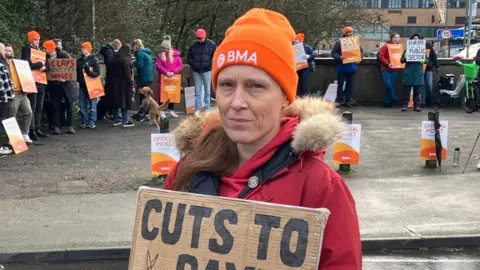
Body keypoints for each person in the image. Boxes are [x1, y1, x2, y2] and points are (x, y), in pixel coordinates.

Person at [164, 8, 361, 269]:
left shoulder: (320, 186)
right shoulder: (187, 168)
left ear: (285, 98)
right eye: (226, 85)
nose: (237, 102)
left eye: (256, 86)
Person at [21, 30, 50, 140]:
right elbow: (27, 63)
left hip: (41, 82)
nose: (37, 41)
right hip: (32, 82)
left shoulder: (41, 52)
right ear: (31, 40)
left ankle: (37, 128)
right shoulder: (26, 49)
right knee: (32, 107)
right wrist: (39, 65)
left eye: (38, 39)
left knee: (39, 107)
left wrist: (45, 67)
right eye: (35, 39)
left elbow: (48, 65)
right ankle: (31, 130)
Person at [4, 44, 33, 144]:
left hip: (22, 93)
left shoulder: (18, 63)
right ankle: (12, 139)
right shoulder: (3, 64)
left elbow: (26, 74)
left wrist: (28, 86)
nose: (10, 52)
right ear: (4, 52)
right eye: (8, 50)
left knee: (28, 112)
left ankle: (24, 134)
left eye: (11, 50)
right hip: (12, 94)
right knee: (12, 116)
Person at [48, 39, 76, 135]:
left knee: (69, 104)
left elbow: (71, 67)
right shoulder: (46, 57)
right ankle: (57, 126)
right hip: (54, 85)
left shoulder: (64, 55)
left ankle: (70, 125)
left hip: (66, 84)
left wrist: (65, 78)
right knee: (56, 105)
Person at [187, 28, 216, 115]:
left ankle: (207, 108)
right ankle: (197, 108)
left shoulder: (211, 45)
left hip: (207, 70)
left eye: (201, 38)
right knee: (197, 91)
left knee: (207, 90)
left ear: (205, 37)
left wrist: (210, 65)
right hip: (196, 70)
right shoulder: (193, 46)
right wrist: (193, 65)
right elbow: (189, 57)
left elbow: (215, 56)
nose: (200, 40)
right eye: (198, 38)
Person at [331, 27, 360, 108]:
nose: (350, 33)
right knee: (340, 84)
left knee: (350, 85)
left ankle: (348, 100)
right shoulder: (339, 42)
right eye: (348, 32)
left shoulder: (355, 42)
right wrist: (340, 57)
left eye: (351, 32)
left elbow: (360, 52)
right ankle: (339, 100)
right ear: (344, 33)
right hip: (342, 67)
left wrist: (359, 58)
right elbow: (333, 53)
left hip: (352, 67)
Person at [155, 35, 183, 118]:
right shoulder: (160, 56)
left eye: (165, 48)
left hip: (172, 78)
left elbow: (180, 66)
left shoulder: (176, 56)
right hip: (164, 78)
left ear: (168, 48)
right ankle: (161, 110)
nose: (163, 50)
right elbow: (158, 65)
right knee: (162, 95)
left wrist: (173, 72)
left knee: (172, 94)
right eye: (162, 48)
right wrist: (166, 72)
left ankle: (171, 110)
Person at [108, 44, 135, 127]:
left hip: (113, 83)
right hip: (123, 85)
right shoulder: (125, 60)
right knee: (124, 102)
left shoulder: (114, 59)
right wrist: (131, 84)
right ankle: (125, 121)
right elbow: (127, 75)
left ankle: (116, 120)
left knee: (115, 102)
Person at [76, 41, 101, 129]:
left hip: (91, 85)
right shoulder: (79, 60)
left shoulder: (94, 59)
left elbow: (97, 73)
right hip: (82, 85)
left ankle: (91, 122)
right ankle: (84, 121)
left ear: (88, 49)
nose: (82, 50)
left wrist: (88, 72)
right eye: (82, 48)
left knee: (92, 105)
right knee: (82, 105)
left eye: (84, 48)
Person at [400, 33, 424, 112]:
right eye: (414, 39)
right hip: (409, 72)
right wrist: (405, 57)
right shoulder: (407, 49)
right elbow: (401, 60)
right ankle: (405, 105)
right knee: (407, 91)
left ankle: (416, 106)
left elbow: (426, 60)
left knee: (417, 91)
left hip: (418, 73)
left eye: (417, 39)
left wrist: (424, 60)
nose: (415, 40)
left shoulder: (422, 50)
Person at [132, 39, 153, 121]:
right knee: (143, 95)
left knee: (143, 96)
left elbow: (139, 65)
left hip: (143, 77)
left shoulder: (139, 53)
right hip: (149, 76)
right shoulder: (146, 53)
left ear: (135, 46)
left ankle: (146, 113)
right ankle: (142, 111)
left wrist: (133, 62)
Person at [0, 43, 15, 155]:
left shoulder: (4, 62)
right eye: (4, 49)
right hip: (2, 98)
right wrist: (5, 97)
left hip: (6, 97)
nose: (5, 51)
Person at [378, 33, 401, 108]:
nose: (397, 39)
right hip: (386, 69)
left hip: (394, 69)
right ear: (392, 38)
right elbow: (381, 57)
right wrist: (387, 64)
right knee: (388, 84)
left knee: (390, 85)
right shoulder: (385, 46)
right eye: (396, 37)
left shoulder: (398, 47)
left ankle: (387, 102)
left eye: (398, 37)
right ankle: (392, 96)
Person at [294, 33, 315, 97]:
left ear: (300, 40)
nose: (294, 41)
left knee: (304, 85)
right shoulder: (292, 48)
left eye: (296, 40)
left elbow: (312, 57)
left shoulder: (307, 48)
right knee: (296, 85)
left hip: (305, 69)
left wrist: (307, 57)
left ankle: (303, 98)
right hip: (296, 69)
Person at [422, 41, 439, 107]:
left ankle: (430, 101)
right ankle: (423, 102)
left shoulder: (428, 45)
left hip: (429, 69)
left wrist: (437, 66)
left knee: (430, 85)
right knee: (422, 86)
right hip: (421, 69)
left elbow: (434, 57)